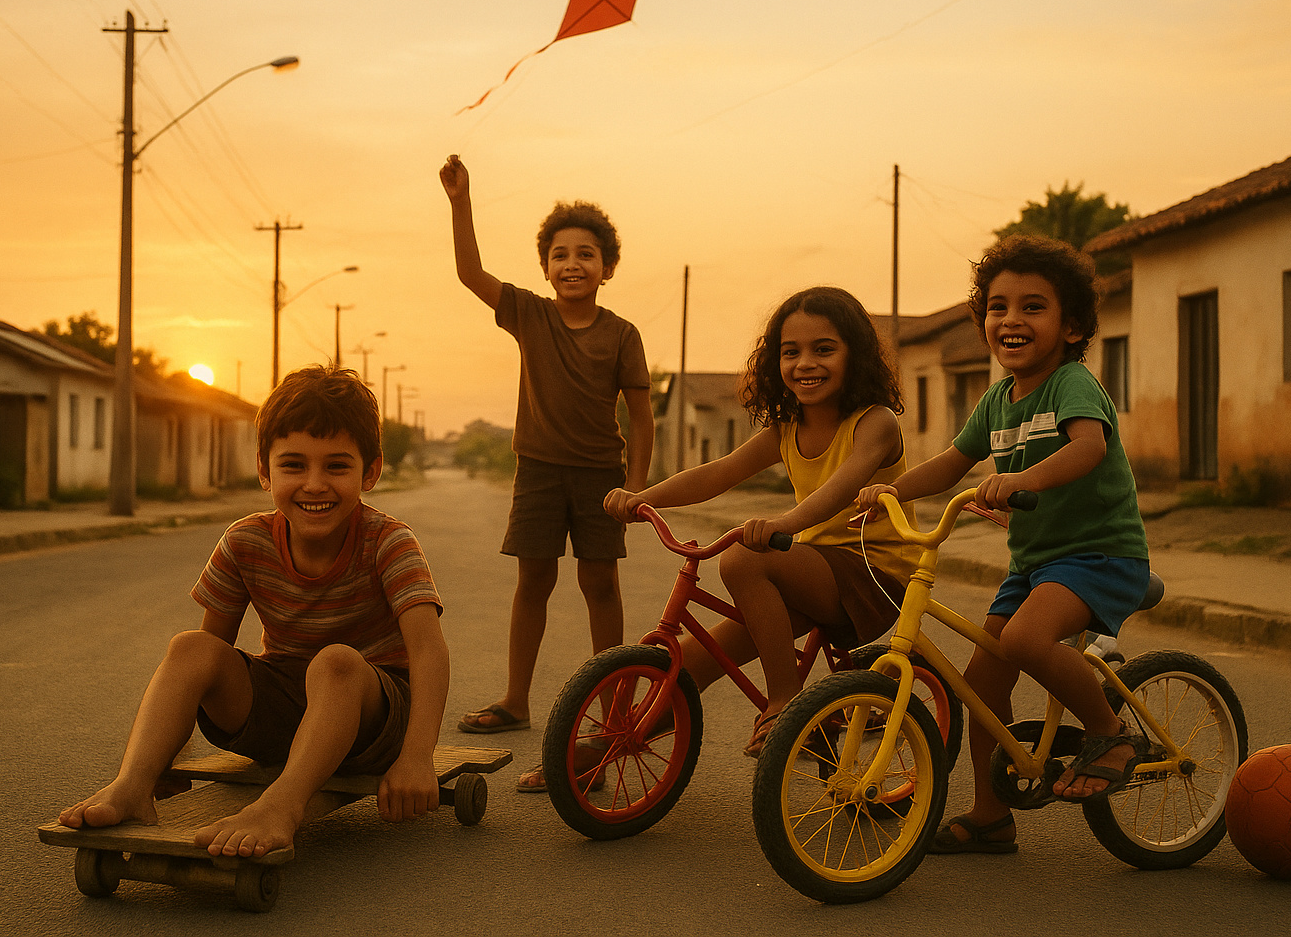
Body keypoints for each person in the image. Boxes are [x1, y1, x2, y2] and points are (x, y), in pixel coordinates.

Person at [58, 366, 450, 857]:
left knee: (335, 662)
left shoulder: (389, 541)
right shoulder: (246, 540)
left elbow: (429, 652)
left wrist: (417, 756)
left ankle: (281, 806)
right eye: (293, 466)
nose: (313, 485)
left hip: (374, 714)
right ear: (264, 469)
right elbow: (209, 663)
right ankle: (133, 784)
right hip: (285, 707)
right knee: (190, 646)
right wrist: (170, 758)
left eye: (336, 466)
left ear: (370, 472)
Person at [857, 233, 1150, 855]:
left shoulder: (1071, 384)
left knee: (1023, 639)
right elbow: (950, 464)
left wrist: (1020, 478)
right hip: (1037, 565)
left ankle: (1110, 731)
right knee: (982, 686)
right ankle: (991, 817)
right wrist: (888, 490)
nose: (1011, 319)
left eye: (1032, 307)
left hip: (1101, 557)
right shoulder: (996, 401)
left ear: (1071, 327)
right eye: (997, 306)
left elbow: (1088, 447)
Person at [606, 286, 922, 757]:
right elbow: (719, 472)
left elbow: (841, 489)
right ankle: (600, 751)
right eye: (790, 352)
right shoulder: (787, 428)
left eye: (824, 350)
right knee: (694, 661)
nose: (805, 364)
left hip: (873, 575)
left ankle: (785, 702)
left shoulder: (875, 423)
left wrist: (788, 523)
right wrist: (642, 498)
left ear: (855, 356)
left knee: (743, 561)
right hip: (814, 571)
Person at [439, 154, 654, 792]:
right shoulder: (529, 315)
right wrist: (460, 201)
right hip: (536, 470)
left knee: (601, 588)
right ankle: (515, 700)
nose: (572, 265)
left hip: (598, 477)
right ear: (546, 267)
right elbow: (468, 271)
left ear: (607, 268)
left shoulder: (622, 335)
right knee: (532, 582)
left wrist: (634, 488)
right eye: (560, 255)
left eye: (586, 254)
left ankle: (612, 710)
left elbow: (641, 418)